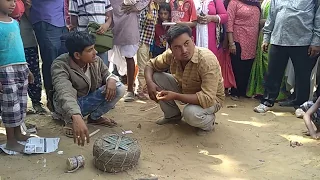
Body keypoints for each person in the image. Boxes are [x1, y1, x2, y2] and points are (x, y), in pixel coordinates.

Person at [144, 24, 225, 136]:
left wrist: (175, 96)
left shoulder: (207, 60)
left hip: (212, 99)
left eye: (186, 44)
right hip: (185, 89)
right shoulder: (170, 55)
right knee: (156, 77)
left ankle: (208, 122)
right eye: (177, 47)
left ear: (192, 40)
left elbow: (207, 98)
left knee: (190, 113)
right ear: (171, 49)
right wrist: (149, 83)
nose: (184, 50)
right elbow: (150, 65)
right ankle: (172, 116)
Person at [51, 31, 125, 146]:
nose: (95, 52)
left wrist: (111, 79)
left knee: (119, 87)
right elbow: (65, 93)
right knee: (70, 105)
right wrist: (76, 116)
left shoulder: (95, 60)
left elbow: (108, 74)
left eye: (94, 48)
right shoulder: (59, 65)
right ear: (77, 55)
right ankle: (70, 120)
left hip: (85, 101)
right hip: (67, 106)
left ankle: (94, 118)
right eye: (90, 50)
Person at [254, 0, 320, 113]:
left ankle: (300, 105)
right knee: (273, 73)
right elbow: (271, 16)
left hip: (303, 41)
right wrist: (266, 37)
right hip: (278, 39)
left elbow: (318, 18)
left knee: (302, 75)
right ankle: (267, 102)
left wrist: (316, 41)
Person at [0, 0, 32, 152]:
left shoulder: (14, 22)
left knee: (20, 102)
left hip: (21, 67)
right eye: (8, 0)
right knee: (9, 106)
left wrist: (28, 69)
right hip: (5, 70)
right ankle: (11, 140)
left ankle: (19, 133)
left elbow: (19, 47)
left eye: (14, 0)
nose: (13, 3)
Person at [30, 0, 68, 112]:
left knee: (64, 63)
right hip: (46, 19)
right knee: (52, 63)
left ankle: (64, 101)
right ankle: (54, 103)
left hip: (62, 19)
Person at [109, 0, 150, 102]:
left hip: (128, 20)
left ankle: (130, 90)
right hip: (110, 19)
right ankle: (106, 89)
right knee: (106, 56)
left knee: (129, 56)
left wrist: (137, 7)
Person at [246, 0, 287, 101]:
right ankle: (261, 90)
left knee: (270, 63)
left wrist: (265, 22)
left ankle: (274, 93)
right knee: (262, 63)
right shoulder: (266, 2)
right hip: (264, 35)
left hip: (275, 35)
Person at [227, 0, 260, 101]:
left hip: (252, 40)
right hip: (238, 38)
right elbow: (229, 22)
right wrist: (231, 42)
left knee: (248, 65)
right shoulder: (234, 2)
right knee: (237, 65)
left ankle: (244, 91)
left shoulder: (256, 3)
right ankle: (235, 91)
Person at [19, 1, 46, 114]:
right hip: (9, 44)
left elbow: (35, 21)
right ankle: (20, 105)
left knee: (33, 72)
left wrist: (27, 8)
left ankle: (36, 102)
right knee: (15, 75)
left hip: (28, 40)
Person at [69, 0, 113, 65]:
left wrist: (106, 25)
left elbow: (109, 16)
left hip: (101, 38)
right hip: (85, 40)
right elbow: (73, 21)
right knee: (87, 66)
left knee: (102, 67)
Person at [136, 0, 165, 100]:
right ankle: (139, 90)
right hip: (142, 40)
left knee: (146, 64)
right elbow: (139, 23)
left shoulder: (155, 6)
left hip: (148, 41)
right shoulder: (146, 6)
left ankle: (143, 89)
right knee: (143, 66)